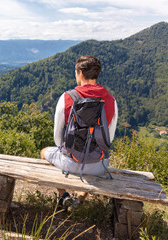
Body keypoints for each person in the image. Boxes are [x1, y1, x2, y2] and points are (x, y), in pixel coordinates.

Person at [40, 55, 118, 207]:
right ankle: (81, 199)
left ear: (80, 73)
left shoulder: (66, 98)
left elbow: (57, 138)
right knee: (93, 157)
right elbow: (110, 137)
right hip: (99, 166)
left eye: (76, 73)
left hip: (70, 162)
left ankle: (64, 196)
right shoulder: (111, 101)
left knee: (44, 152)